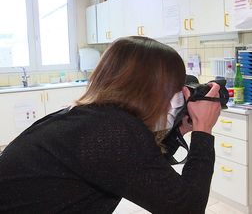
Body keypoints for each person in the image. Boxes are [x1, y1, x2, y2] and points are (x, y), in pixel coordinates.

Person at [0, 36, 222, 213]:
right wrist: (203, 130)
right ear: (152, 89)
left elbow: (143, 172)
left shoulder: (93, 119)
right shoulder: (111, 131)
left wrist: (178, 130)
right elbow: (187, 209)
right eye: (174, 87)